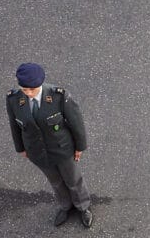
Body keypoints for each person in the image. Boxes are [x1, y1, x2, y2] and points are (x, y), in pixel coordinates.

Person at [6, 63, 92, 227]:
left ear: (40, 83)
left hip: (62, 149)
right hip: (37, 152)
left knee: (73, 180)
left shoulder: (58, 96)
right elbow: (14, 124)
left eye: (33, 89)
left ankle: (83, 206)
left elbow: (76, 122)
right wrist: (21, 148)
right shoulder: (13, 99)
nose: (29, 94)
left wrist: (80, 146)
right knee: (56, 182)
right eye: (25, 90)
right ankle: (65, 206)